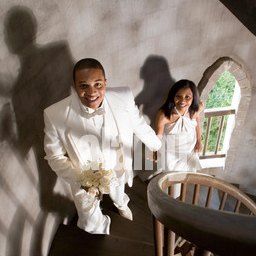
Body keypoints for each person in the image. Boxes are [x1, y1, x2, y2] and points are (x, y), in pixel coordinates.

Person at [44, 58, 162, 234]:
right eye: (84, 86)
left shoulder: (123, 97)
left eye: (98, 84)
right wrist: (81, 179)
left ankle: (121, 203)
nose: (92, 92)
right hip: (82, 175)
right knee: (90, 223)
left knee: (118, 190)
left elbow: (139, 125)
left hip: (116, 163)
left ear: (105, 83)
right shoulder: (54, 114)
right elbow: (54, 156)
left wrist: (156, 145)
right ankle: (100, 235)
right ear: (74, 85)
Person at [154, 79, 203, 172]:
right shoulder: (164, 115)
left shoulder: (197, 108)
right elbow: (158, 136)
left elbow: (196, 119)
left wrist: (199, 140)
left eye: (187, 97)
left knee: (188, 176)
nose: (182, 101)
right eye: (178, 96)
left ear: (194, 98)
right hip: (171, 153)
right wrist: (155, 150)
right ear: (173, 96)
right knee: (171, 181)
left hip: (189, 149)